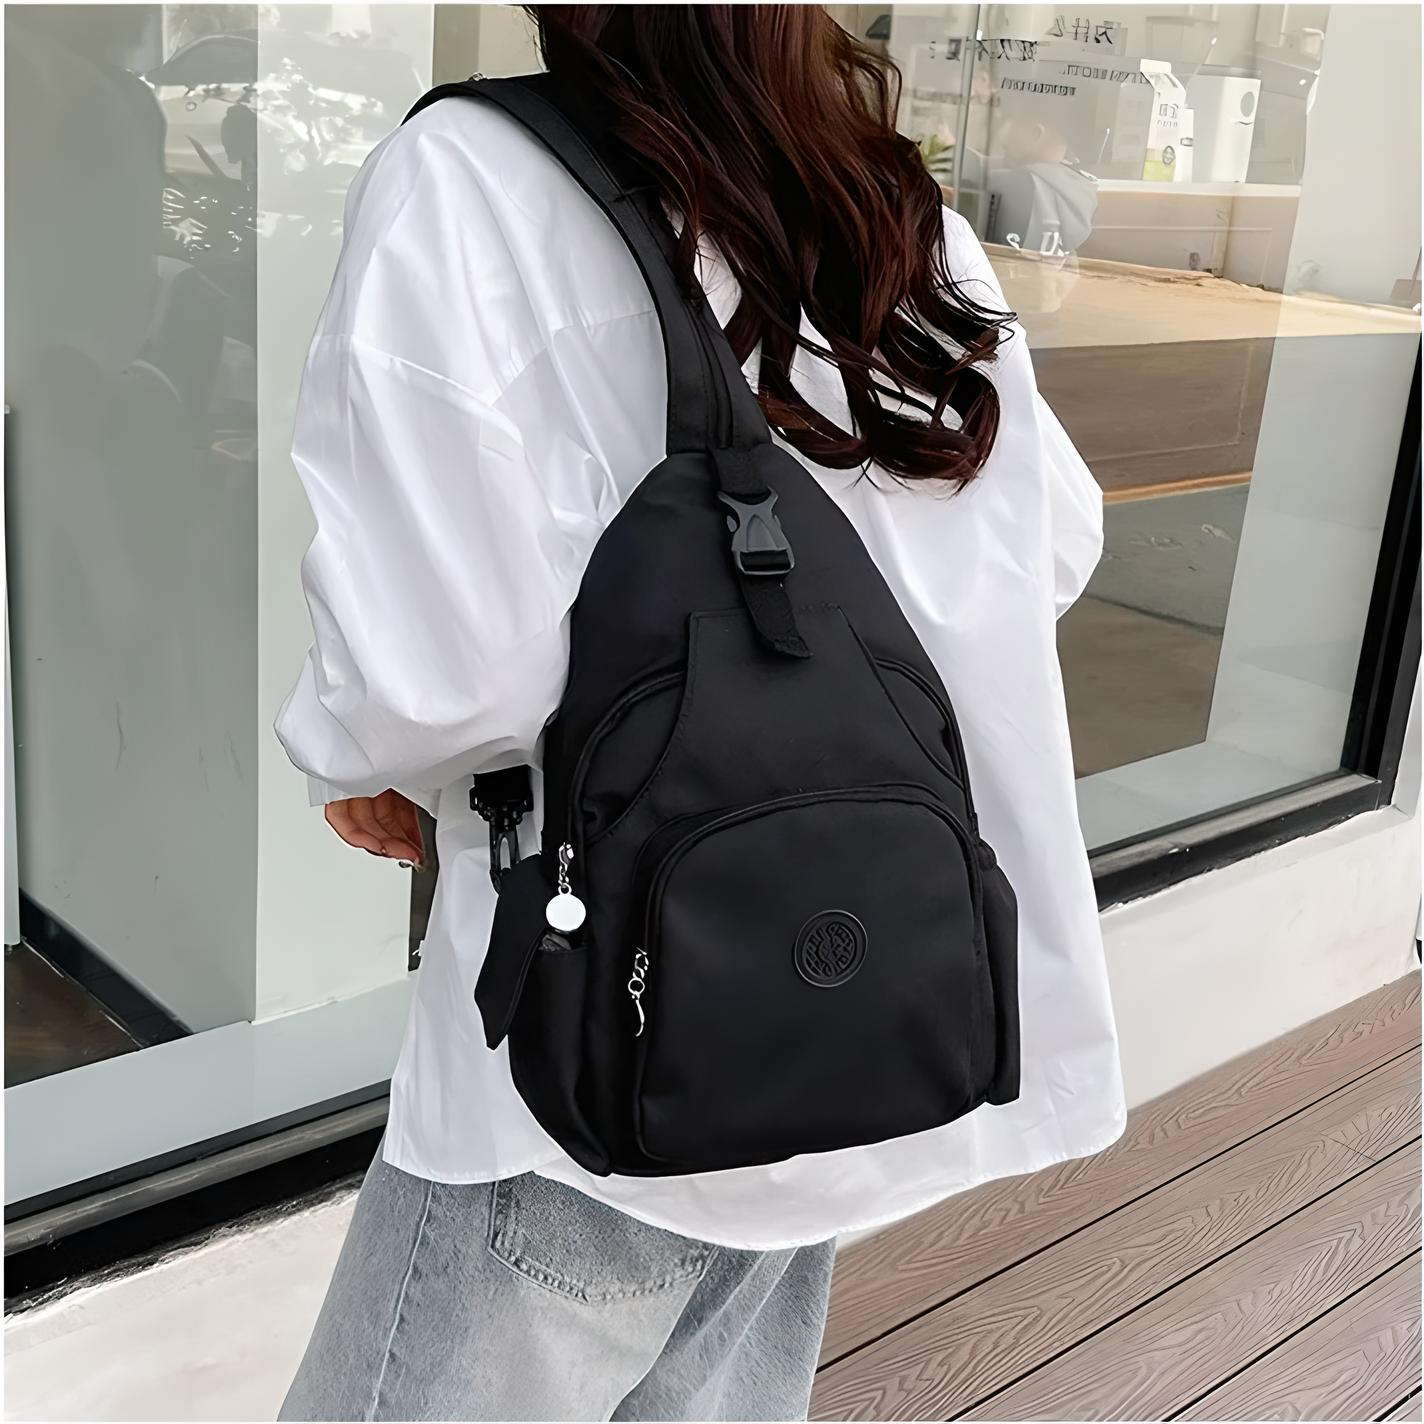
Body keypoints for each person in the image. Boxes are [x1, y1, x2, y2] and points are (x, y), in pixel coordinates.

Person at [274, 7, 1125, 1420]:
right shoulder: (885, 206)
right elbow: (1050, 551)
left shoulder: (475, 178)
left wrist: (361, 754)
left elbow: (441, 682)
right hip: (850, 1021)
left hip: (592, 1052)